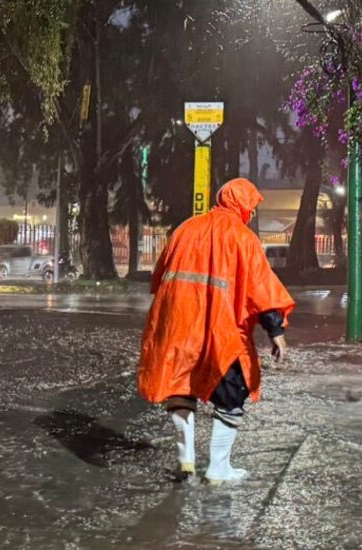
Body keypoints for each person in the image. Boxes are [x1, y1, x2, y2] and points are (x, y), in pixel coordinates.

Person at [139, 177, 295, 484]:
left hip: (177, 325)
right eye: (251, 206)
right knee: (230, 395)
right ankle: (218, 468)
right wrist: (275, 331)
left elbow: (158, 278)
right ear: (243, 205)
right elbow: (261, 290)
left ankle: (185, 462)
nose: (252, 212)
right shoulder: (243, 237)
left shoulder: (185, 229)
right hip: (221, 331)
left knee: (180, 388)